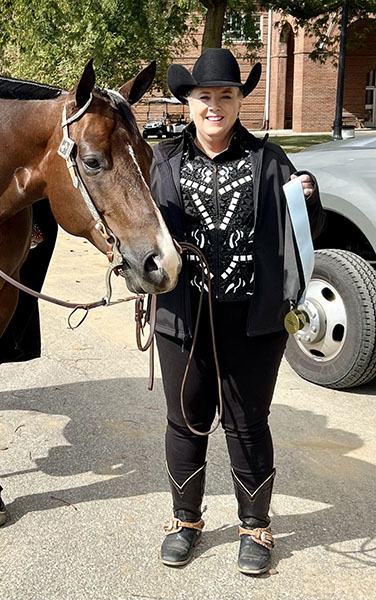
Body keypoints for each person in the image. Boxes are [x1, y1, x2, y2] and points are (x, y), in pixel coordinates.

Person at [150, 48, 326, 576]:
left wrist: (309, 200)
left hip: (254, 319)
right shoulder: (163, 160)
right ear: (188, 102)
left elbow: (306, 233)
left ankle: (254, 526)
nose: (215, 106)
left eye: (226, 95)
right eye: (204, 96)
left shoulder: (270, 160)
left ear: (239, 100)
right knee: (186, 419)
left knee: (248, 423)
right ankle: (186, 520)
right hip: (183, 317)